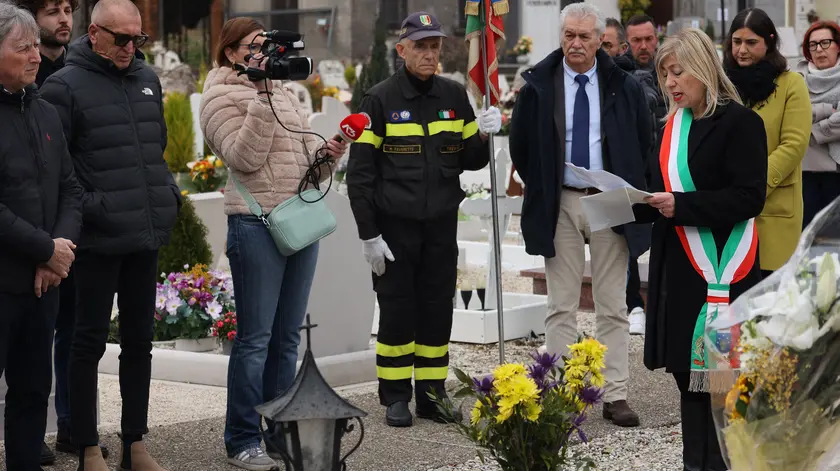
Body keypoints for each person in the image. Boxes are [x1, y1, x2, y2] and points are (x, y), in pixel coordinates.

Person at [199, 17, 348, 470]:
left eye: (268, 45)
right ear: (230, 52)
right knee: (256, 340)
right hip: (255, 224)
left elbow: (302, 168)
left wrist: (328, 156)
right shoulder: (218, 97)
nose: (265, 53)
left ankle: (280, 433)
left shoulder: (282, 91)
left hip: (297, 222)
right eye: (255, 45)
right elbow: (244, 159)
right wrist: (262, 95)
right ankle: (242, 439)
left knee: (286, 340)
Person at [39, 0, 180, 469]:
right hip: (97, 238)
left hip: (143, 232)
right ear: (94, 33)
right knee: (88, 342)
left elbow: (153, 147)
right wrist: (95, 208)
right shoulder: (63, 86)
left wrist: (164, 196)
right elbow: (59, 169)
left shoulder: (147, 79)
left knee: (140, 342)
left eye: (138, 39)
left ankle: (135, 443)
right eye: (121, 39)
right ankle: (87, 446)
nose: (130, 48)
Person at [347, 11, 501, 428]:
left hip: (440, 226)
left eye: (435, 47)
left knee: (436, 311)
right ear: (402, 51)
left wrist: (485, 134)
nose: (430, 54)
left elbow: (470, 160)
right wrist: (369, 235)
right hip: (394, 229)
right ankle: (395, 397)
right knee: (398, 311)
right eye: (421, 47)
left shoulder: (453, 96)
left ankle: (432, 396)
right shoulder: (379, 99)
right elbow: (359, 176)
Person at [509, 3, 652, 427]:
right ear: (562, 37)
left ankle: (615, 394)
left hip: (607, 199)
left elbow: (643, 140)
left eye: (584, 37)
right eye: (569, 35)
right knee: (561, 304)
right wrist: (545, 183)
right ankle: (555, 392)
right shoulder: (539, 85)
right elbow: (520, 146)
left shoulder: (622, 85)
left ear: (599, 40)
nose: (575, 43)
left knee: (612, 305)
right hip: (562, 201)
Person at [635, 28, 768, 471]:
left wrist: (683, 205)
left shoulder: (740, 122)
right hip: (679, 268)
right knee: (687, 379)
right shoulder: (673, 126)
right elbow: (661, 191)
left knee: (726, 386)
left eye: (678, 72)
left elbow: (750, 197)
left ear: (703, 68)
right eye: (664, 75)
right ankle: (696, 463)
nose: (671, 83)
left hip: (722, 270)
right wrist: (635, 204)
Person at [17, 0, 110, 464]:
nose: (63, 19)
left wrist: (62, 243)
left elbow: (71, 180)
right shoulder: (29, 90)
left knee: (62, 353)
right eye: (51, 10)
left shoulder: (60, 89)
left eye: (68, 9)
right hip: (21, 254)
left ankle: (64, 432)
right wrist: (43, 245)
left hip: (65, 246)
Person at [0, 3, 83, 469]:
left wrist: (59, 252)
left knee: (33, 393)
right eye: (23, 47)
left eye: (37, 46)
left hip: (43, 283)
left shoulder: (46, 111)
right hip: (5, 280)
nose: (36, 56)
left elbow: (70, 188)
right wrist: (44, 249)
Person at [724, 8, 811, 278]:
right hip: (728, 207)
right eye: (737, 42)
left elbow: (794, 144)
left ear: (769, 42)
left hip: (773, 208)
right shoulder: (723, 85)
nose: (742, 50)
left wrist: (754, 184)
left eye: (751, 42)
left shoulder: (791, 84)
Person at [796, 21, 840, 227]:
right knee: (808, 233)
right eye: (813, 45)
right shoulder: (796, 79)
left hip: (837, 170)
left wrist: (812, 130)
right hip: (805, 171)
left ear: (838, 45)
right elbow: (794, 115)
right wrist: (828, 110)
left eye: (825, 42)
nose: (819, 49)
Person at [16, 0, 75, 88]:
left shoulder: (82, 65)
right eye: (53, 13)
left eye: (67, 11)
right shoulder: (19, 71)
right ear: (32, 19)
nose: (64, 20)